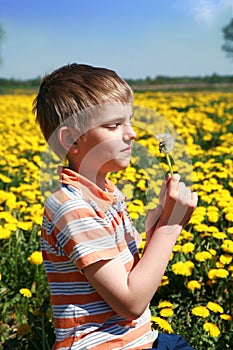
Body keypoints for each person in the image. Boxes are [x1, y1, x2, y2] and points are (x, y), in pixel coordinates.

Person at [33, 63, 198, 350]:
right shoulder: (71, 206)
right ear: (70, 139)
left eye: (130, 120)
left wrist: (155, 226)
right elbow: (131, 302)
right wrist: (169, 228)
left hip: (138, 340)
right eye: (114, 125)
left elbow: (132, 277)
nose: (132, 133)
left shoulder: (107, 194)